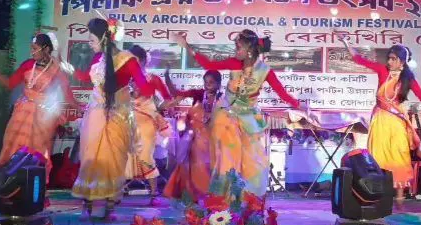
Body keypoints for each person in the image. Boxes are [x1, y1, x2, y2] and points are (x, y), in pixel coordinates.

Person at [173, 29, 300, 198]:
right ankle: (223, 198)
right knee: (226, 159)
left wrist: (299, 105)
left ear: (249, 50)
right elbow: (209, 65)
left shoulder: (264, 71)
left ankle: (244, 197)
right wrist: (186, 46)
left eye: (237, 47)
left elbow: (282, 93)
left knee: (250, 161)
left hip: (247, 119)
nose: (235, 50)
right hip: (225, 117)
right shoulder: (234, 63)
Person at [67, 18, 171, 220]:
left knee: (111, 161)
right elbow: (85, 77)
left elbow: (145, 87)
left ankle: (108, 206)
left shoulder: (127, 59)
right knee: (92, 160)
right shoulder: (99, 59)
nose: (89, 42)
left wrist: (161, 89)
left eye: (91, 38)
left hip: (117, 117)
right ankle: (89, 204)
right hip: (96, 116)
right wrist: (69, 69)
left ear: (104, 37)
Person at [338, 37, 421, 202]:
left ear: (402, 62)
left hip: (397, 121)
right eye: (389, 58)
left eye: (394, 59)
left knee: (399, 154)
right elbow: (358, 59)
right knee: (378, 155)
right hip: (380, 119)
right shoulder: (382, 71)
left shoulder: (408, 79)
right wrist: (345, 42)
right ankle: (378, 193)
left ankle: (401, 194)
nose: (389, 61)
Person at [0, 33, 78, 185]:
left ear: (46, 49)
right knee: (14, 146)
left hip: (42, 116)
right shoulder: (28, 64)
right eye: (31, 48)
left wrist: (84, 108)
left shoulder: (56, 70)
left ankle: (36, 185)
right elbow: (10, 83)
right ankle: (9, 183)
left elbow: (67, 95)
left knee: (38, 151)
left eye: (35, 48)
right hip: (22, 113)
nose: (31, 52)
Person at [163, 68, 223, 201]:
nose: (207, 85)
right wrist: (167, 79)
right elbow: (176, 93)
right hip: (194, 139)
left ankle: (210, 196)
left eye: (211, 82)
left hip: (213, 140)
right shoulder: (199, 94)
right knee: (195, 166)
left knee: (211, 168)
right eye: (205, 82)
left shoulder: (223, 99)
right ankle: (195, 194)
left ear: (219, 84)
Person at [124, 45, 172, 198]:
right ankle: (118, 191)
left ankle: (153, 192)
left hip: (146, 123)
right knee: (125, 156)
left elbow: (167, 98)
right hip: (127, 122)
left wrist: (156, 110)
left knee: (145, 155)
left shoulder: (153, 79)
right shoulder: (124, 80)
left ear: (144, 61)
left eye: (135, 60)